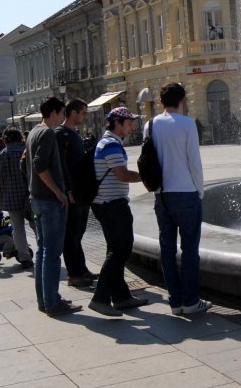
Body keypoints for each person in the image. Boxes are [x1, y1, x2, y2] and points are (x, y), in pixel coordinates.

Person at [146, 82, 209, 316]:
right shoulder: (187, 124)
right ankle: (191, 301)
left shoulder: (150, 125)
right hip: (186, 193)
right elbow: (194, 163)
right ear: (182, 101)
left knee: (167, 249)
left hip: (161, 195)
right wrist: (199, 190)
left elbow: (147, 160)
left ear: (161, 102)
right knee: (190, 249)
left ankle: (175, 302)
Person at [88, 107, 148, 317]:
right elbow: (122, 175)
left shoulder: (109, 142)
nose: (132, 127)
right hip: (111, 204)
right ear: (117, 123)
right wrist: (148, 177)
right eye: (129, 123)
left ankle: (121, 297)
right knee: (120, 250)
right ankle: (100, 298)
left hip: (107, 203)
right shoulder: (111, 144)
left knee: (115, 249)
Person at [24, 97, 81, 316]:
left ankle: (44, 299)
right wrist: (58, 191)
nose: (62, 117)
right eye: (62, 113)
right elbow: (40, 165)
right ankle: (53, 302)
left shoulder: (33, 132)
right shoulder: (47, 133)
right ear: (55, 113)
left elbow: (26, 164)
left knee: (43, 251)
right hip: (48, 200)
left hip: (36, 199)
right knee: (52, 252)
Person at [55, 98, 98, 288]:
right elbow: (60, 165)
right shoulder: (61, 134)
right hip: (72, 192)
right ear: (73, 113)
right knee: (71, 234)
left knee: (79, 232)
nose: (85, 116)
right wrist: (68, 190)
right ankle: (73, 274)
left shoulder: (74, 134)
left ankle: (81, 269)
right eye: (84, 113)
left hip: (81, 191)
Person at [0, 128, 33, 268]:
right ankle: (45, 253)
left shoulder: (0, 156)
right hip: (28, 197)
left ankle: (24, 257)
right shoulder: (24, 152)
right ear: (20, 138)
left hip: (10, 200)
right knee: (37, 226)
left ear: (4, 140)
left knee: (17, 229)